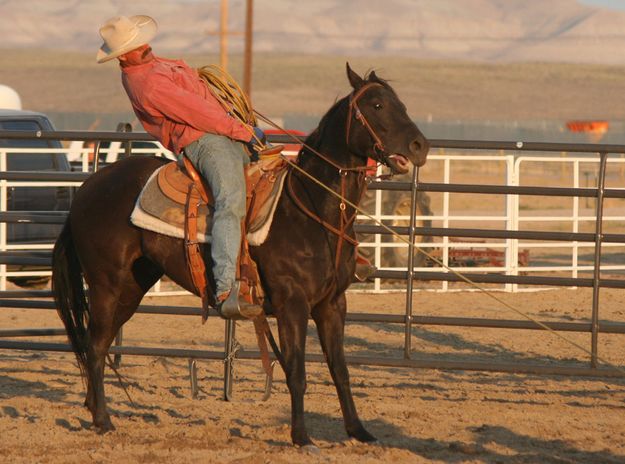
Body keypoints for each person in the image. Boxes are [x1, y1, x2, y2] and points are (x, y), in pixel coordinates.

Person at [96, 15, 265, 313]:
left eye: (141, 39)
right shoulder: (148, 84)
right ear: (124, 56)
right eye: (137, 44)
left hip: (220, 132)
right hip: (205, 142)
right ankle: (226, 290)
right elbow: (198, 112)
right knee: (230, 201)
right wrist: (242, 130)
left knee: (271, 178)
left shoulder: (154, 64)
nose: (145, 45)